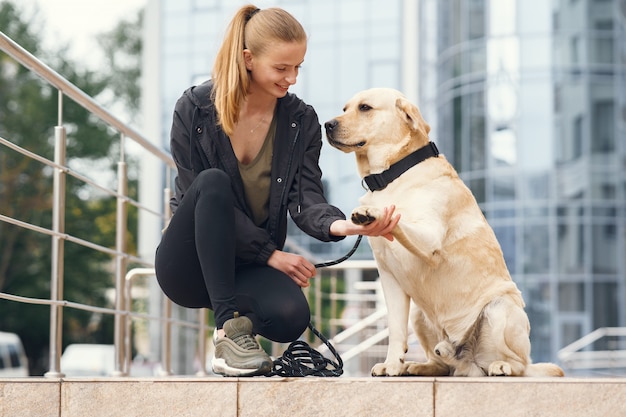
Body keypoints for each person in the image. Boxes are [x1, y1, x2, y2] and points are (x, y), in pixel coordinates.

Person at [154, 4, 399, 377]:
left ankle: (236, 335)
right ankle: (226, 336)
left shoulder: (301, 121)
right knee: (212, 183)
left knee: (291, 315)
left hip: (244, 267)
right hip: (188, 264)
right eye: (282, 68)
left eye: (298, 66)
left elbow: (306, 199)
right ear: (249, 59)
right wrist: (271, 254)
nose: (293, 79)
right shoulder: (194, 110)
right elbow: (195, 193)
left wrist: (346, 226)